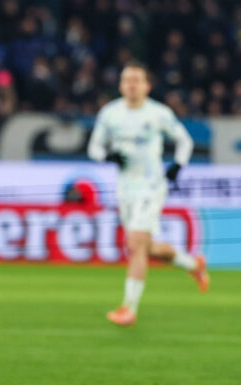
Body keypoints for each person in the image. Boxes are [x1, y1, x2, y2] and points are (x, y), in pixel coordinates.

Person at [88, 61, 209, 327]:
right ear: (120, 85)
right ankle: (193, 265)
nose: (131, 85)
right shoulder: (110, 113)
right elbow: (94, 147)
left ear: (147, 85)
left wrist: (178, 165)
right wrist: (107, 156)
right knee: (144, 247)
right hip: (125, 188)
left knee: (136, 244)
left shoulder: (158, 113)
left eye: (136, 80)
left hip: (152, 186)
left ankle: (128, 308)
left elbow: (184, 140)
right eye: (126, 80)